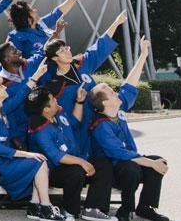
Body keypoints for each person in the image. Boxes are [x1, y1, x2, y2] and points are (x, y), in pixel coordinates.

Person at [0, 74, 72, 221]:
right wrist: (26, 154)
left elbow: (20, 96)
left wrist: (35, 76)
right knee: (38, 162)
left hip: (7, 159)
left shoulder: (0, 111)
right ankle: (45, 207)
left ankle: (34, 205)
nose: (5, 87)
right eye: (1, 86)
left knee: (40, 160)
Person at [89, 37, 169, 221]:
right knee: (133, 167)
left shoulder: (119, 110)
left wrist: (143, 55)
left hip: (128, 160)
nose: (115, 91)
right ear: (105, 102)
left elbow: (129, 83)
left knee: (158, 161)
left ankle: (146, 207)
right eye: (109, 90)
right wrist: (148, 163)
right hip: (114, 169)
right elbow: (119, 154)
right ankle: (126, 208)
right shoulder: (100, 125)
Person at [40, 12, 126, 159]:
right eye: (62, 51)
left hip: (99, 123)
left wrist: (116, 22)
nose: (67, 52)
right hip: (77, 132)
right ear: (54, 58)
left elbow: (100, 46)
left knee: (107, 157)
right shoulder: (53, 85)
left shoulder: (81, 64)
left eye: (67, 48)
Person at [25, 86, 116, 221]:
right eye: (52, 99)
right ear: (46, 110)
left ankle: (92, 208)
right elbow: (57, 156)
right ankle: (68, 210)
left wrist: (79, 102)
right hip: (51, 171)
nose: (56, 100)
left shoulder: (58, 113)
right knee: (76, 171)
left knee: (102, 163)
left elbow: (74, 122)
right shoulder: (40, 130)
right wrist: (82, 162)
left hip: (73, 160)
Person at [6, 0, 83, 58]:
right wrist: (56, 33)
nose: (35, 10)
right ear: (28, 18)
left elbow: (57, 13)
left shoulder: (40, 25)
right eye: (32, 10)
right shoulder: (15, 37)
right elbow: (10, 61)